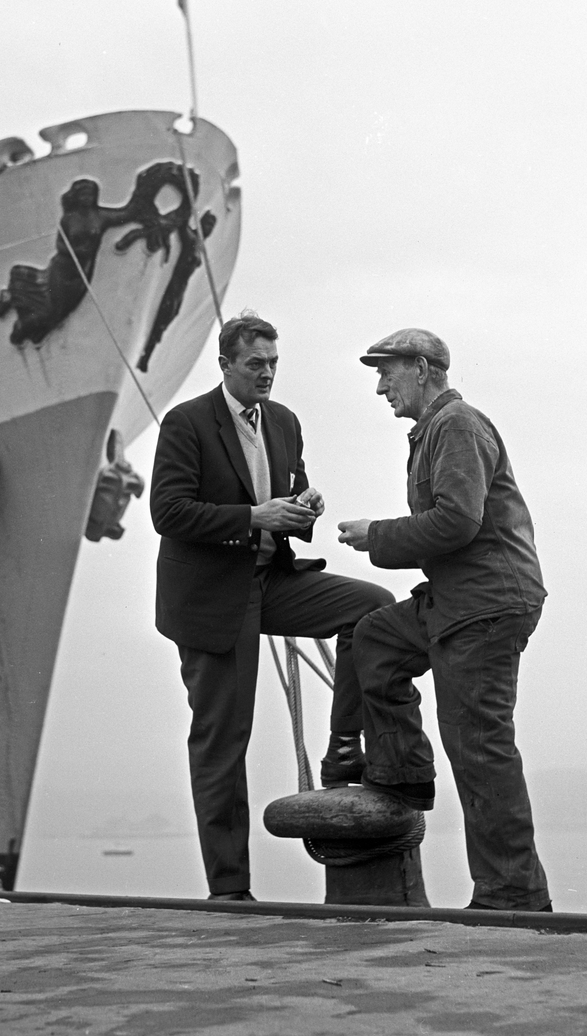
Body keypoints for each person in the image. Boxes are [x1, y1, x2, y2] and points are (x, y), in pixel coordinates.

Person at [151, 313, 394, 901]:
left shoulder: (284, 422)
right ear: (226, 365)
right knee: (223, 739)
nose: (267, 373)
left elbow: (291, 492)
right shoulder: (187, 423)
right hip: (211, 599)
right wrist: (254, 517)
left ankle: (342, 751)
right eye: (256, 363)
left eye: (274, 364)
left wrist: (304, 506)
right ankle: (230, 892)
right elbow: (169, 513)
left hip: (272, 580)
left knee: (374, 608)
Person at [337, 328, 551, 912]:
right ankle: (403, 772)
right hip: (457, 599)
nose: (380, 386)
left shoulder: (457, 425)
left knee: (479, 745)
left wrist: (376, 536)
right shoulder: (432, 432)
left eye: (388, 372)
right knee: (374, 636)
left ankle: (514, 896)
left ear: (425, 369)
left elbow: (457, 522)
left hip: (485, 604)